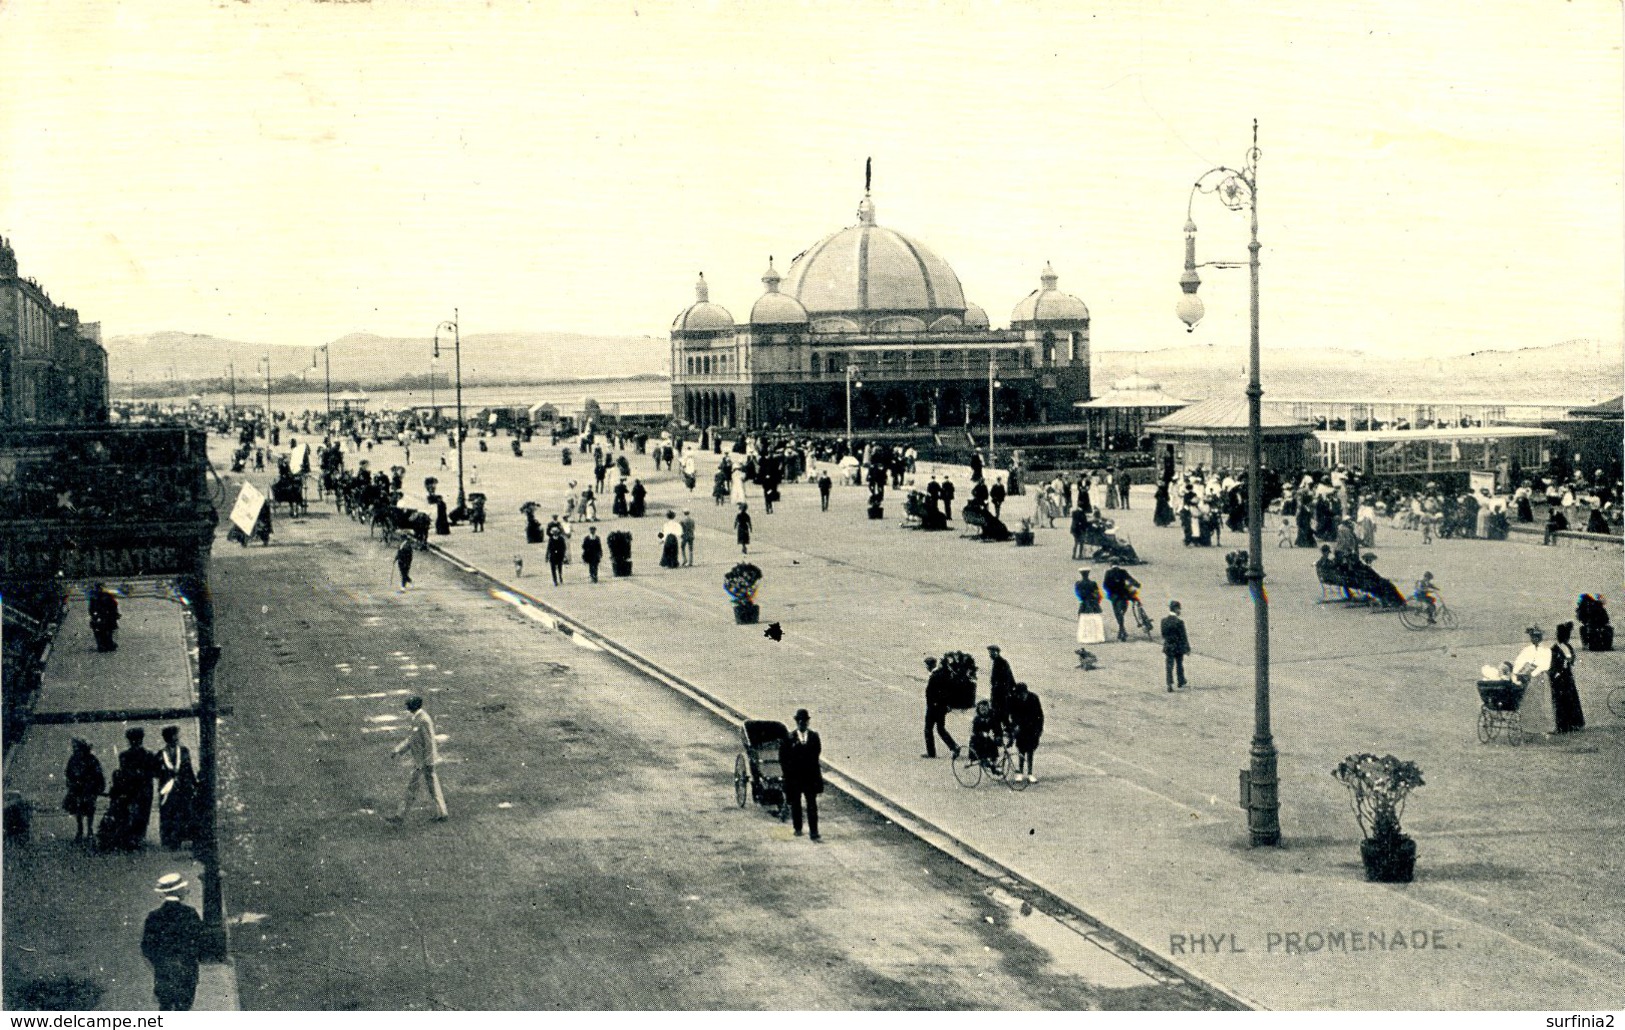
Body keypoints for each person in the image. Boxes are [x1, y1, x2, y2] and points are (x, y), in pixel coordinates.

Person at [142, 873, 204, 1011]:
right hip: (187, 970)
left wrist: (160, 963)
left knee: (165, 1008)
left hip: (164, 973)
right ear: (178, 891)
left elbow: (147, 947)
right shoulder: (190, 913)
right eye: (182, 887)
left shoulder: (154, 916)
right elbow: (201, 941)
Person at [388, 695, 447, 823]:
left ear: (414, 706)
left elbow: (429, 743)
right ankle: (442, 813)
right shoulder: (418, 718)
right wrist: (398, 750)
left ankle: (400, 816)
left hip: (423, 762)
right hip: (424, 761)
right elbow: (413, 740)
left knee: (413, 788)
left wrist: (426, 762)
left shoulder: (423, 720)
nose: (407, 707)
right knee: (432, 788)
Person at [780, 709, 823, 841]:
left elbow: (816, 757)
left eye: (804, 722)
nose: (802, 724)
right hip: (795, 778)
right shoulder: (789, 738)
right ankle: (798, 828)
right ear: (796, 722)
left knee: (812, 805)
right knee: (796, 804)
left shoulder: (814, 737)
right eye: (799, 722)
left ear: (807, 722)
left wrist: (817, 780)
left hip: (809, 777)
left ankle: (814, 831)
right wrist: (788, 775)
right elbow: (783, 759)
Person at [155, 726, 198, 850]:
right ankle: (169, 840)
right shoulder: (160, 754)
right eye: (172, 736)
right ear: (166, 738)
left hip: (183, 787)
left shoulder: (184, 751)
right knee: (168, 813)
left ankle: (181, 838)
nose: (175, 738)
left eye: (176, 736)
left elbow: (189, 769)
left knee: (184, 812)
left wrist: (194, 783)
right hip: (168, 789)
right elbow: (156, 772)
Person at [1512, 627, 1556, 735]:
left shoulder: (1546, 650)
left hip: (1539, 677)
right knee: (1527, 701)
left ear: (1539, 638)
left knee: (1540, 701)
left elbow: (1545, 665)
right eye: (1532, 637)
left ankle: (1542, 727)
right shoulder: (1527, 650)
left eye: (1536, 637)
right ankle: (1528, 727)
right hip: (1527, 678)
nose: (1534, 639)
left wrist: (1532, 674)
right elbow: (1519, 661)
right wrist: (1517, 672)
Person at [63, 738, 105, 842]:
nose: (75, 750)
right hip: (78, 788)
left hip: (89, 788)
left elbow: (98, 774)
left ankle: (89, 830)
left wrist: (97, 786)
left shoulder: (91, 759)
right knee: (79, 809)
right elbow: (68, 772)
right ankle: (80, 830)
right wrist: (71, 783)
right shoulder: (74, 759)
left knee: (89, 809)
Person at [1549, 622, 1585, 733]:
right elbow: (1572, 660)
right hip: (1567, 677)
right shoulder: (1568, 647)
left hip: (1560, 677)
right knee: (1570, 699)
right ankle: (1574, 723)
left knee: (1561, 701)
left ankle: (1563, 724)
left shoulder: (1555, 648)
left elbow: (1555, 663)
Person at [921, 657, 959, 759]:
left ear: (929, 666)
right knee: (940, 729)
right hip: (940, 707)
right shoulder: (942, 674)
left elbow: (933, 693)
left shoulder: (935, 676)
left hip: (934, 708)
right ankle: (954, 747)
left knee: (928, 729)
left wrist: (934, 704)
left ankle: (931, 753)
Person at [1009, 682, 1044, 784]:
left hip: (1032, 728)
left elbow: (1039, 715)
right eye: (1018, 694)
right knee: (1021, 750)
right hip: (1021, 728)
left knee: (1030, 751)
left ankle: (1030, 773)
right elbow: (1013, 715)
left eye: (1021, 694)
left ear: (1025, 692)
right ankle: (1019, 772)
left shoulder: (1033, 698)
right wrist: (1015, 726)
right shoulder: (1015, 699)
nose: (1019, 696)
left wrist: (1040, 729)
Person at [1102, 563, 1142, 641]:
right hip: (1123, 596)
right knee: (1122, 613)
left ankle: (1122, 630)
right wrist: (1137, 585)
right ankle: (1122, 630)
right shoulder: (1122, 571)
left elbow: (1105, 585)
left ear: (1110, 565)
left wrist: (1110, 592)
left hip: (1114, 597)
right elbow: (1131, 579)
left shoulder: (1108, 573)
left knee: (1117, 613)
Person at [1160, 601, 1191, 691]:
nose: (1180, 611)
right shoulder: (1179, 622)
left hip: (1168, 646)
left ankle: (1169, 683)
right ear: (1176, 609)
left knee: (1169, 665)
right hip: (1177, 646)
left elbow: (1163, 634)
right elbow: (1184, 637)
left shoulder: (1164, 621)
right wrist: (1187, 648)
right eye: (1179, 609)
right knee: (1179, 664)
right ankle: (1180, 681)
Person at [987, 645, 1016, 735]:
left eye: (993, 652)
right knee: (1002, 714)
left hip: (1001, 694)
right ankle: (1006, 730)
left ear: (997, 652)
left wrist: (1005, 691)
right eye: (990, 652)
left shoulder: (1002, 663)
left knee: (1000, 713)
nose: (991, 654)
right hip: (999, 693)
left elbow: (1007, 679)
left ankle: (1004, 731)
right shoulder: (997, 662)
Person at [1075, 569, 1105, 646]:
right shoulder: (1093, 583)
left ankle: (1086, 636)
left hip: (1084, 603)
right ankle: (1096, 636)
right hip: (1093, 603)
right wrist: (1096, 601)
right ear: (1088, 574)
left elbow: (1078, 594)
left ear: (1081, 575)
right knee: (1095, 619)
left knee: (1083, 619)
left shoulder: (1078, 583)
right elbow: (1097, 594)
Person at [967, 700, 1000, 766]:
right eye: (982, 709)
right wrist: (981, 733)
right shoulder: (977, 719)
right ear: (979, 710)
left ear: (988, 708)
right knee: (977, 745)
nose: (984, 711)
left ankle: (994, 761)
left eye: (985, 709)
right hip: (977, 737)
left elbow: (995, 727)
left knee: (993, 744)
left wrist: (997, 735)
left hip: (986, 736)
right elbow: (974, 730)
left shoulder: (991, 717)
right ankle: (973, 760)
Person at [89, 584, 121, 652]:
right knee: (104, 631)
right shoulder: (103, 596)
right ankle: (106, 644)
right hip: (104, 617)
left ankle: (105, 644)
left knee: (103, 632)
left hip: (103, 617)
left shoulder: (97, 597)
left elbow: (113, 605)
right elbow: (114, 605)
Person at [546, 520, 568, 585]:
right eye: (554, 532)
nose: (555, 533)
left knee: (559, 568)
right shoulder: (551, 539)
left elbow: (564, 547)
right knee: (553, 569)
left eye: (556, 532)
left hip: (559, 555)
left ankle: (560, 577)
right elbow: (548, 548)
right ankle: (555, 580)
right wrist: (547, 556)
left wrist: (563, 555)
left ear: (558, 533)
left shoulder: (561, 539)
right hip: (552, 556)